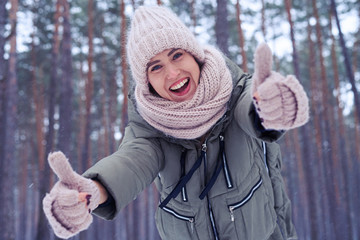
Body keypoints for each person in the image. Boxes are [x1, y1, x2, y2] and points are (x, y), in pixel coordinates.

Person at [42, 5, 309, 240]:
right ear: (147, 82)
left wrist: (274, 106)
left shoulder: (238, 91)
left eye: (177, 55)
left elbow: (254, 111)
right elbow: (131, 162)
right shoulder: (148, 127)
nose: (172, 73)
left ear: (194, 55)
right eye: (155, 67)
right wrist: (92, 192)